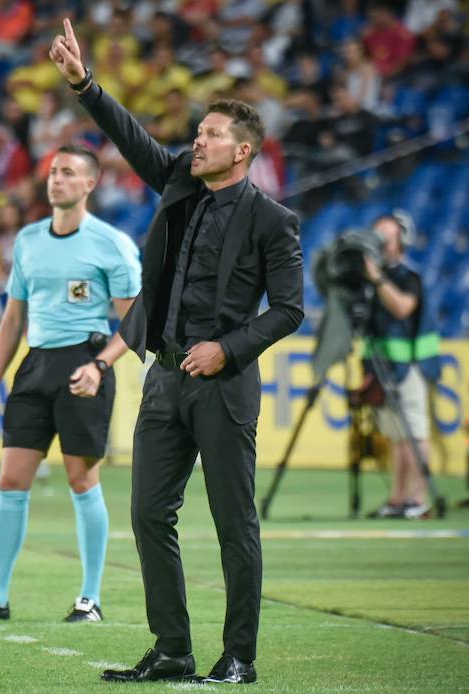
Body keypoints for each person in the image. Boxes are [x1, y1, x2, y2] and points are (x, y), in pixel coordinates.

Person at [50, 19, 303, 684]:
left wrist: (229, 348)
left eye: (213, 134)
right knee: (146, 514)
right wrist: (85, 85)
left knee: (233, 524)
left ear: (242, 151)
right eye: (200, 130)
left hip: (223, 384)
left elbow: (289, 308)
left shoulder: (273, 222)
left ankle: (240, 656)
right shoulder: (180, 182)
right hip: (164, 378)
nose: (199, 138)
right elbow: (131, 135)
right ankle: (172, 649)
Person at [0, 144, 142, 623]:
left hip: (84, 364)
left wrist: (99, 366)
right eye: (53, 172)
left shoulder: (111, 243)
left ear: (90, 184)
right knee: (11, 479)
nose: (56, 180)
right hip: (35, 366)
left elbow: (137, 322)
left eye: (68, 173)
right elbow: (13, 318)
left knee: (82, 480)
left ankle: (90, 598)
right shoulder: (29, 240)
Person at [363, 212, 441, 519]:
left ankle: (418, 499)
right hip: (386, 366)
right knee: (397, 437)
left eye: (387, 237)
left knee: (416, 433)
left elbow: (402, 308)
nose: (380, 243)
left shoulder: (410, 276)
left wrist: (376, 278)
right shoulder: (376, 276)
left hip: (412, 365)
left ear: (402, 242)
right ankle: (397, 498)